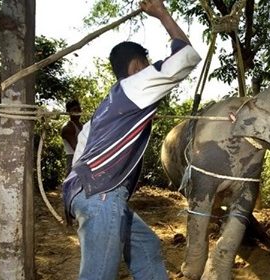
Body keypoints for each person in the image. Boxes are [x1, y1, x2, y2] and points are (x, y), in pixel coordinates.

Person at [61, 0, 201, 278]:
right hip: (102, 195)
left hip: (88, 192)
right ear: (138, 66)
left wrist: (77, 199)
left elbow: (79, 157)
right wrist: (161, 13)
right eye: (147, 65)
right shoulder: (135, 85)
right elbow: (186, 54)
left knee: (145, 244)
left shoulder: (105, 109)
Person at [61, 99, 83, 173]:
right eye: (74, 110)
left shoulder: (82, 126)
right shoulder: (68, 128)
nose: (77, 111)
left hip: (83, 158)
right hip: (73, 159)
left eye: (79, 109)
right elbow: (77, 148)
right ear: (69, 112)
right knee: (73, 183)